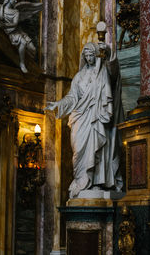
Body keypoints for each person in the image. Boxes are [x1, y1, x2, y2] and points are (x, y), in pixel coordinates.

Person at [45, 42, 124, 198]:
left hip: (96, 118)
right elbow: (72, 97)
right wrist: (58, 103)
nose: (89, 58)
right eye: (86, 56)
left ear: (96, 55)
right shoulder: (78, 76)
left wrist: (108, 52)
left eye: (91, 55)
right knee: (78, 149)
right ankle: (81, 180)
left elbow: (114, 72)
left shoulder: (103, 72)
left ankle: (95, 182)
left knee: (97, 148)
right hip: (80, 118)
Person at [0, 0, 41, 73]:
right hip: (5, 32)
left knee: (30, 48)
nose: (16, 0)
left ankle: (24, 62)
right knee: (23, 42)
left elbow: (15, 24)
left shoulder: (16, 12)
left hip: (14, 32)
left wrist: (4, 25)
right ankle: (22, 63)